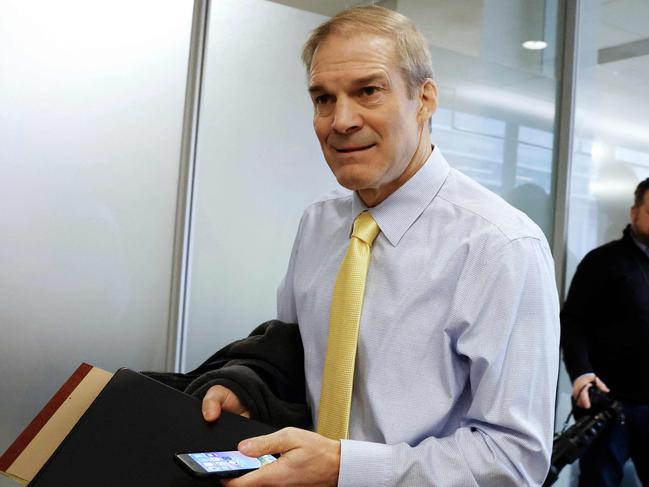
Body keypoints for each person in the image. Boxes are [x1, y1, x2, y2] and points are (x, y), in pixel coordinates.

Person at [196, 6, 560, 486]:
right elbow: (291, 356)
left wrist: (347, 469)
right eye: (323, 99)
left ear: (424, 99)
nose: (341, 120)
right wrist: (250, 388)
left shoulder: (501, 247)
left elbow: (514, 460)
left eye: (368, 91)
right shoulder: (320, 224)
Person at [561, 177, 649, 487]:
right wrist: (582, 374)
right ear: (634, 212)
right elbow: (572, 323)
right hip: (610, 408)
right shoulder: (603, 262)